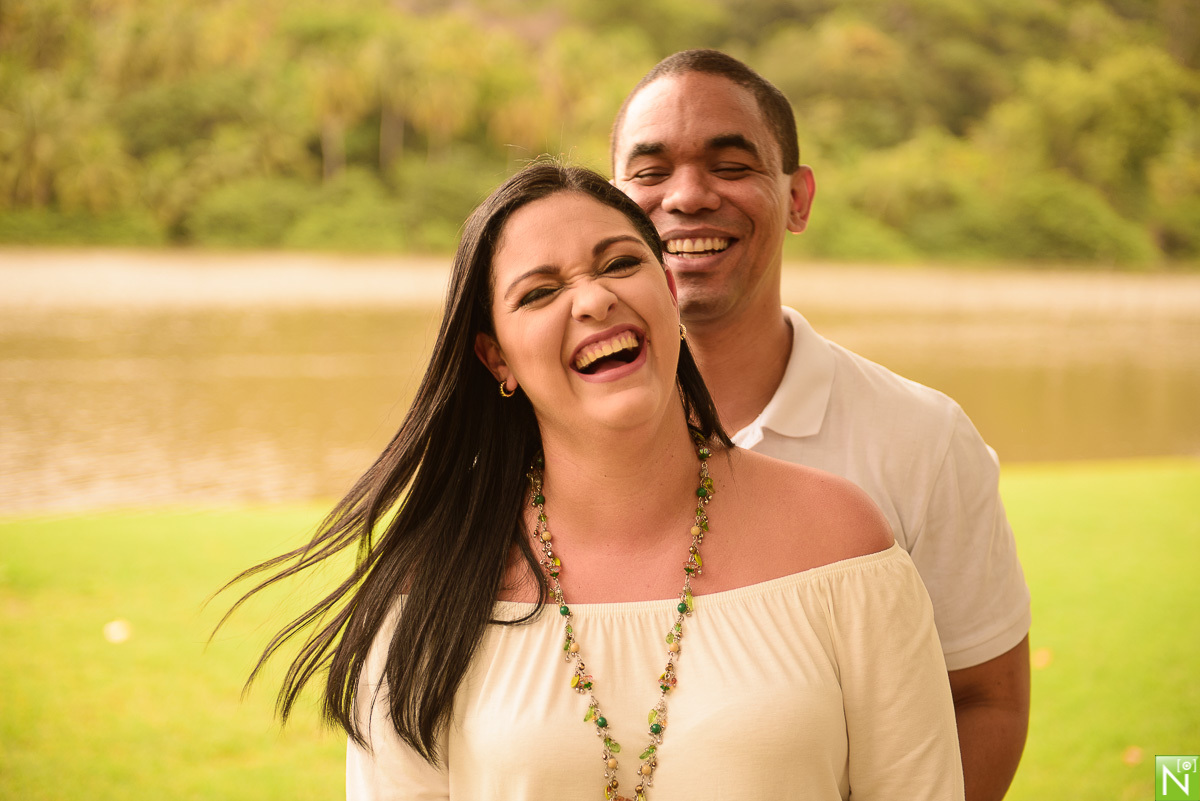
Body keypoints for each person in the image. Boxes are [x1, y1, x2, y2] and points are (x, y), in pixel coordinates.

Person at [225, 162, 964, 799]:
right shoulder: (430, 586)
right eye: (539, 292)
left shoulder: (841, 542)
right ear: (497, 359)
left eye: (619, 264)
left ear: (668, 292)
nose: (592, 299)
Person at [609, 49, 1031, 801]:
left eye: (730, 165)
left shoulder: (922, 439)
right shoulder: (550, 438)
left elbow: (984, 696)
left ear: (798, 198)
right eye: (650, 171)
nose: (688, 195)